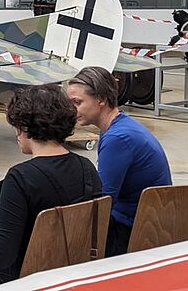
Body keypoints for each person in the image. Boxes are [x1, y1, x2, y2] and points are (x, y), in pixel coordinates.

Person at [0, 84, 102, 289]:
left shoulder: (20, 178)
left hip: (19, 276)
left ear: (25, 128)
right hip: (67, 268)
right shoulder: (86, 167)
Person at [67, 66, 172, 257]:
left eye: (77, 102)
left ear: (101, 99)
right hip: (149, 220)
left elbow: (103, 201)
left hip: (132, 229)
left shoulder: (118, 138)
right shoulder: (120, 126)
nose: (71, 109)